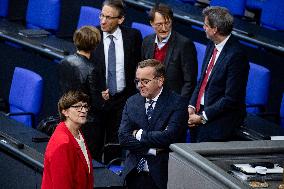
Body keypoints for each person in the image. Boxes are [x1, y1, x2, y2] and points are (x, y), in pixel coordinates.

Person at [118, 59, 188, 189]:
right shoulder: (132, 102)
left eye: (145, 81)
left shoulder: (177, 103)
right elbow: (123, 138)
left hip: (161, 175)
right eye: (137, 81)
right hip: (133, 172)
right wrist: (152, 150)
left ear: (160, 81)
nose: (140, 85)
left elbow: (169, 137)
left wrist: (138, 134)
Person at [188, 6, 249, 142]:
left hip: (219, 120)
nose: (203, 27)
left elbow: (230, 99)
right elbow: (203, 80)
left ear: (215, 29)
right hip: (201, 111)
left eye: (206, 25)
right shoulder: (212, 44)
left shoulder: (237, 56)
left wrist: (202, 117)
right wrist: (192, 106)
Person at [90, 0, 142, 161]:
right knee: (94, 147)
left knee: (116, 146)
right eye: (101, 15)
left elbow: (138, 64)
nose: (103, 21)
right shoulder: (92, 36)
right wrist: (98, 91)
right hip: (98, 101)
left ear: (120, 19)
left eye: (108, 17)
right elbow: (84, 69)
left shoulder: (133, 36)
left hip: (122, 100)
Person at [58, 25, 101, 160]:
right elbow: (96, 103)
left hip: (67, 116)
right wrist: (103, 97)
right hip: (87, 124)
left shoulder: (64, 61)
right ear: (94, 45)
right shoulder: (91, 69)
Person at [141, 3, 197, 99]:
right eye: (159, 24)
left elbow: (190, 82)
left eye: (167, 23)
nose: (164, 28)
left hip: (172, 100)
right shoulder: (147, 41)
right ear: (151, 23)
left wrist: (179, 104)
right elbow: (142, 70)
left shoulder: (184, 45)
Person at [41, 90, 93, 189]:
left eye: (85, 106)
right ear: (65, 112)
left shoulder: (77, 133)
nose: (83, 110)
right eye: (77, 107)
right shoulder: (62, 144)